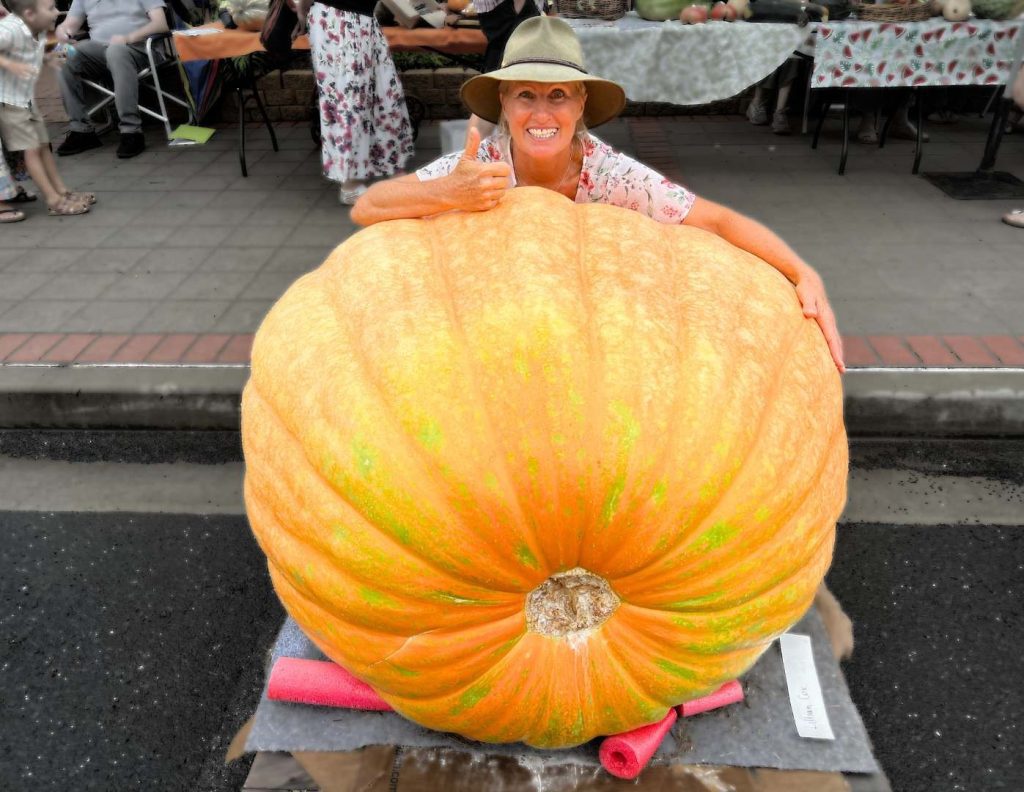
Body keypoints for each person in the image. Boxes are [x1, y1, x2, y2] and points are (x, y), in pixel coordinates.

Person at [352, 16, 845, 373]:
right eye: (525, 95)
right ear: (503, 101)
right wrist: (448, 192)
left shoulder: (609, 175)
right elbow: (367, 206)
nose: (541, 114)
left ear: (581, 102)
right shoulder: (483, 165)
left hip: (588, 347)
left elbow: (715, 221)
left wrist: (804, 273)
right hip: (494, 338)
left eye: (558, 95)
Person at [294, 0, 414, 205]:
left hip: (362, 20)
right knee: (349, 99)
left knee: (384, 91)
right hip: (337, 19)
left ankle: (392, 167)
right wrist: (301, 12)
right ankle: (350, 185)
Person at [0, 0, 93, 216]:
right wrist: (9, 64)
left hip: (25, 98)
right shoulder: (10, 29)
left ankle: (61, 191)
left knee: (43, 144)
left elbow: (56, 50)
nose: (57, 11)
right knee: (31, 148)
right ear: (30, 14)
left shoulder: (39, 29)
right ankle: (53, 200)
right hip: (8, 101)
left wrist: (61, 54)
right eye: (50, 8)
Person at [53, 0, 169, 159]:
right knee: (62, 53)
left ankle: (131, 131)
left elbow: (161, 23)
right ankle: (81, 130)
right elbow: (69, 25)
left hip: (141, 48)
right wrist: (62, 33)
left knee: (116, 51)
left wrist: (128, 37)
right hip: (101, 51)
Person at [469, 0, 544, 138]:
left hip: (509, 23)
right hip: (511, 19)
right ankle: (472, 154)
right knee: (494, 98)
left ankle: (472, 154)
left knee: (495, 97)